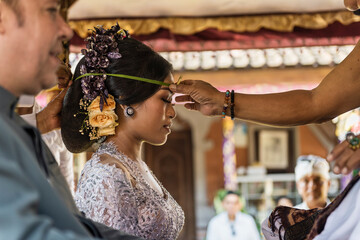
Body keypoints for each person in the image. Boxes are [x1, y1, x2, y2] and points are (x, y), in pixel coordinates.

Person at [0, 0, 144, 239]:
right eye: (50, 11)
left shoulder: (16, 124)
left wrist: (42, 123)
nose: (66, 30)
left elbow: (69, 221)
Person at [61, 24, 184, 240]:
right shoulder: (106, 174)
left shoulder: (131, 164)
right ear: (127, 99)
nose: (173, 112)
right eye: (165, 99)